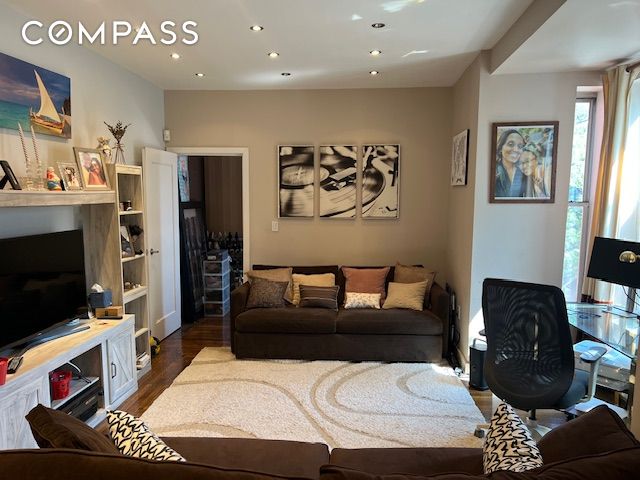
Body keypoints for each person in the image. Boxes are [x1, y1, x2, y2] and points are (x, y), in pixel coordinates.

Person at [494, 129, 525, 198]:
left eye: (520, 146)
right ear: (500, 148)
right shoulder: (493, 171)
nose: (516, 150)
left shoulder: (524, 172)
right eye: (510, 144)